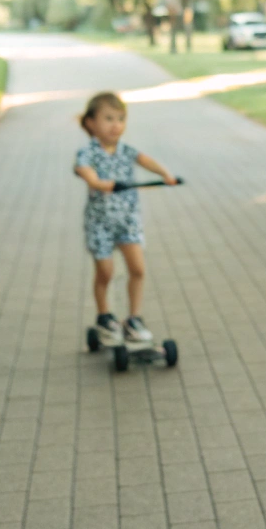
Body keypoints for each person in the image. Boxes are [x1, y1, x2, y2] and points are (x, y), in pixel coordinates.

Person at [74, 91, 176, 346]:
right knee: (106, 272)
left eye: (120, 119)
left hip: (128, 221)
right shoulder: (88, 152)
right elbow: (83, 170)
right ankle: (105, 317)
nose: (116, 125)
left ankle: (134, 319)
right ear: (91, 123)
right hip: (100, 223)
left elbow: (145, 160)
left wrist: (165, 174)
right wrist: (98, 182)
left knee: (138, 269)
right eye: (108, 118)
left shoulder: (126, 150)